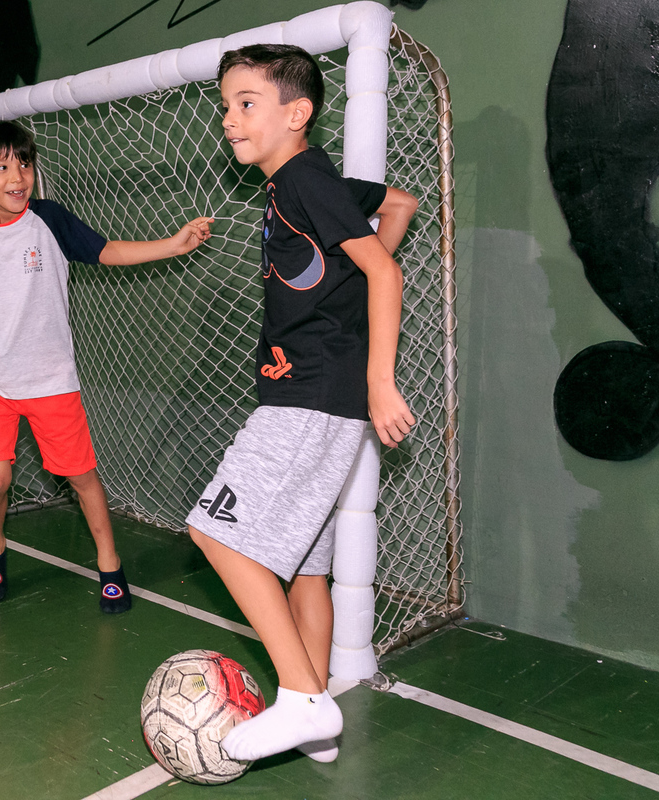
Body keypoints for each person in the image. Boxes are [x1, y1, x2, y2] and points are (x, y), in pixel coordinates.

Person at [186, 44, 419, 763]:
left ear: (298, 113)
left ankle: (303, 701)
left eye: (246, 103)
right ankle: (315, 712)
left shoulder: (303, 180)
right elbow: (400, 205)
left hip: (309, 394)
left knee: (217, 534)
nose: (229, 119)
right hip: (320, 390)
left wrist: (379, 379)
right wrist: (346, 293)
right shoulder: (314, 182)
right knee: (307, 569)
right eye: (225, 106)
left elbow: (385, 274)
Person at [0, 121, 213, 613]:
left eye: (25, 164)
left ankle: (110, 562)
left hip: (50, 379)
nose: (18, 176)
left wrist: (171, 244)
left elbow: (108, 251)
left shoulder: (48, 218)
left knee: (81, 476)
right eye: (2, 167)